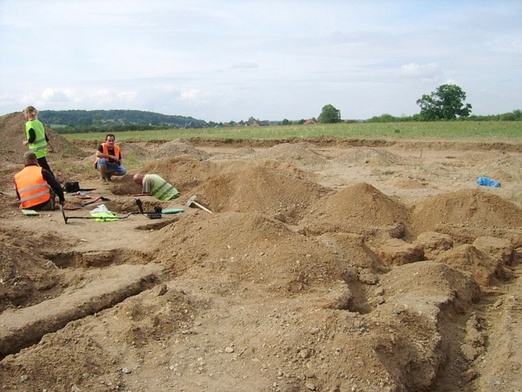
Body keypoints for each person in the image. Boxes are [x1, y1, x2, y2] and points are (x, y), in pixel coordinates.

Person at [22, 105, 56, 177]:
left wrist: (25, 142)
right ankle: (52, 183)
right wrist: (52, 147)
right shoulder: (39, 122)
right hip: (42, 149)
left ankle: (54, 184)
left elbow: (32, 138)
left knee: (44, 168)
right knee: (44, 167)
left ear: (28, 113)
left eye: (25, 113)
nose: (24, 115)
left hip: (36, 150)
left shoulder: (29, 124)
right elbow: (45, 136)